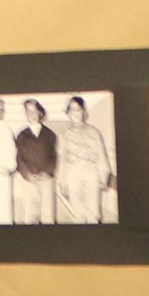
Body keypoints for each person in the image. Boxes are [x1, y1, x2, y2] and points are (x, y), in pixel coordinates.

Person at [53, 94, 112, 223]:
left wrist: (104, 175)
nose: (75, 113)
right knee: (77, 210)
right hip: (72, 172)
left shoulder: (94, 132)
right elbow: (62, 159)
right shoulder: (63, 134)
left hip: (91, 171)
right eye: (72, 110)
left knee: (94, 211)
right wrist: (61, 180)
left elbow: (101, 155)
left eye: (78, 109)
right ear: (68, 113)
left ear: (84, 112)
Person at [10, 99, 58, 222]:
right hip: (28, 180)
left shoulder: (50, 134)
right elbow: (19, 158)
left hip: (46, 179)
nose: (32, 114)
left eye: (34, 111)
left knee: (48, 214)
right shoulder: (21, 135)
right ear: (25, 114)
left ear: (40, 113)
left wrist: (47, 173)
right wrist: (27, 174)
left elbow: (53, 156)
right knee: (30, 214)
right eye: (28, 111)